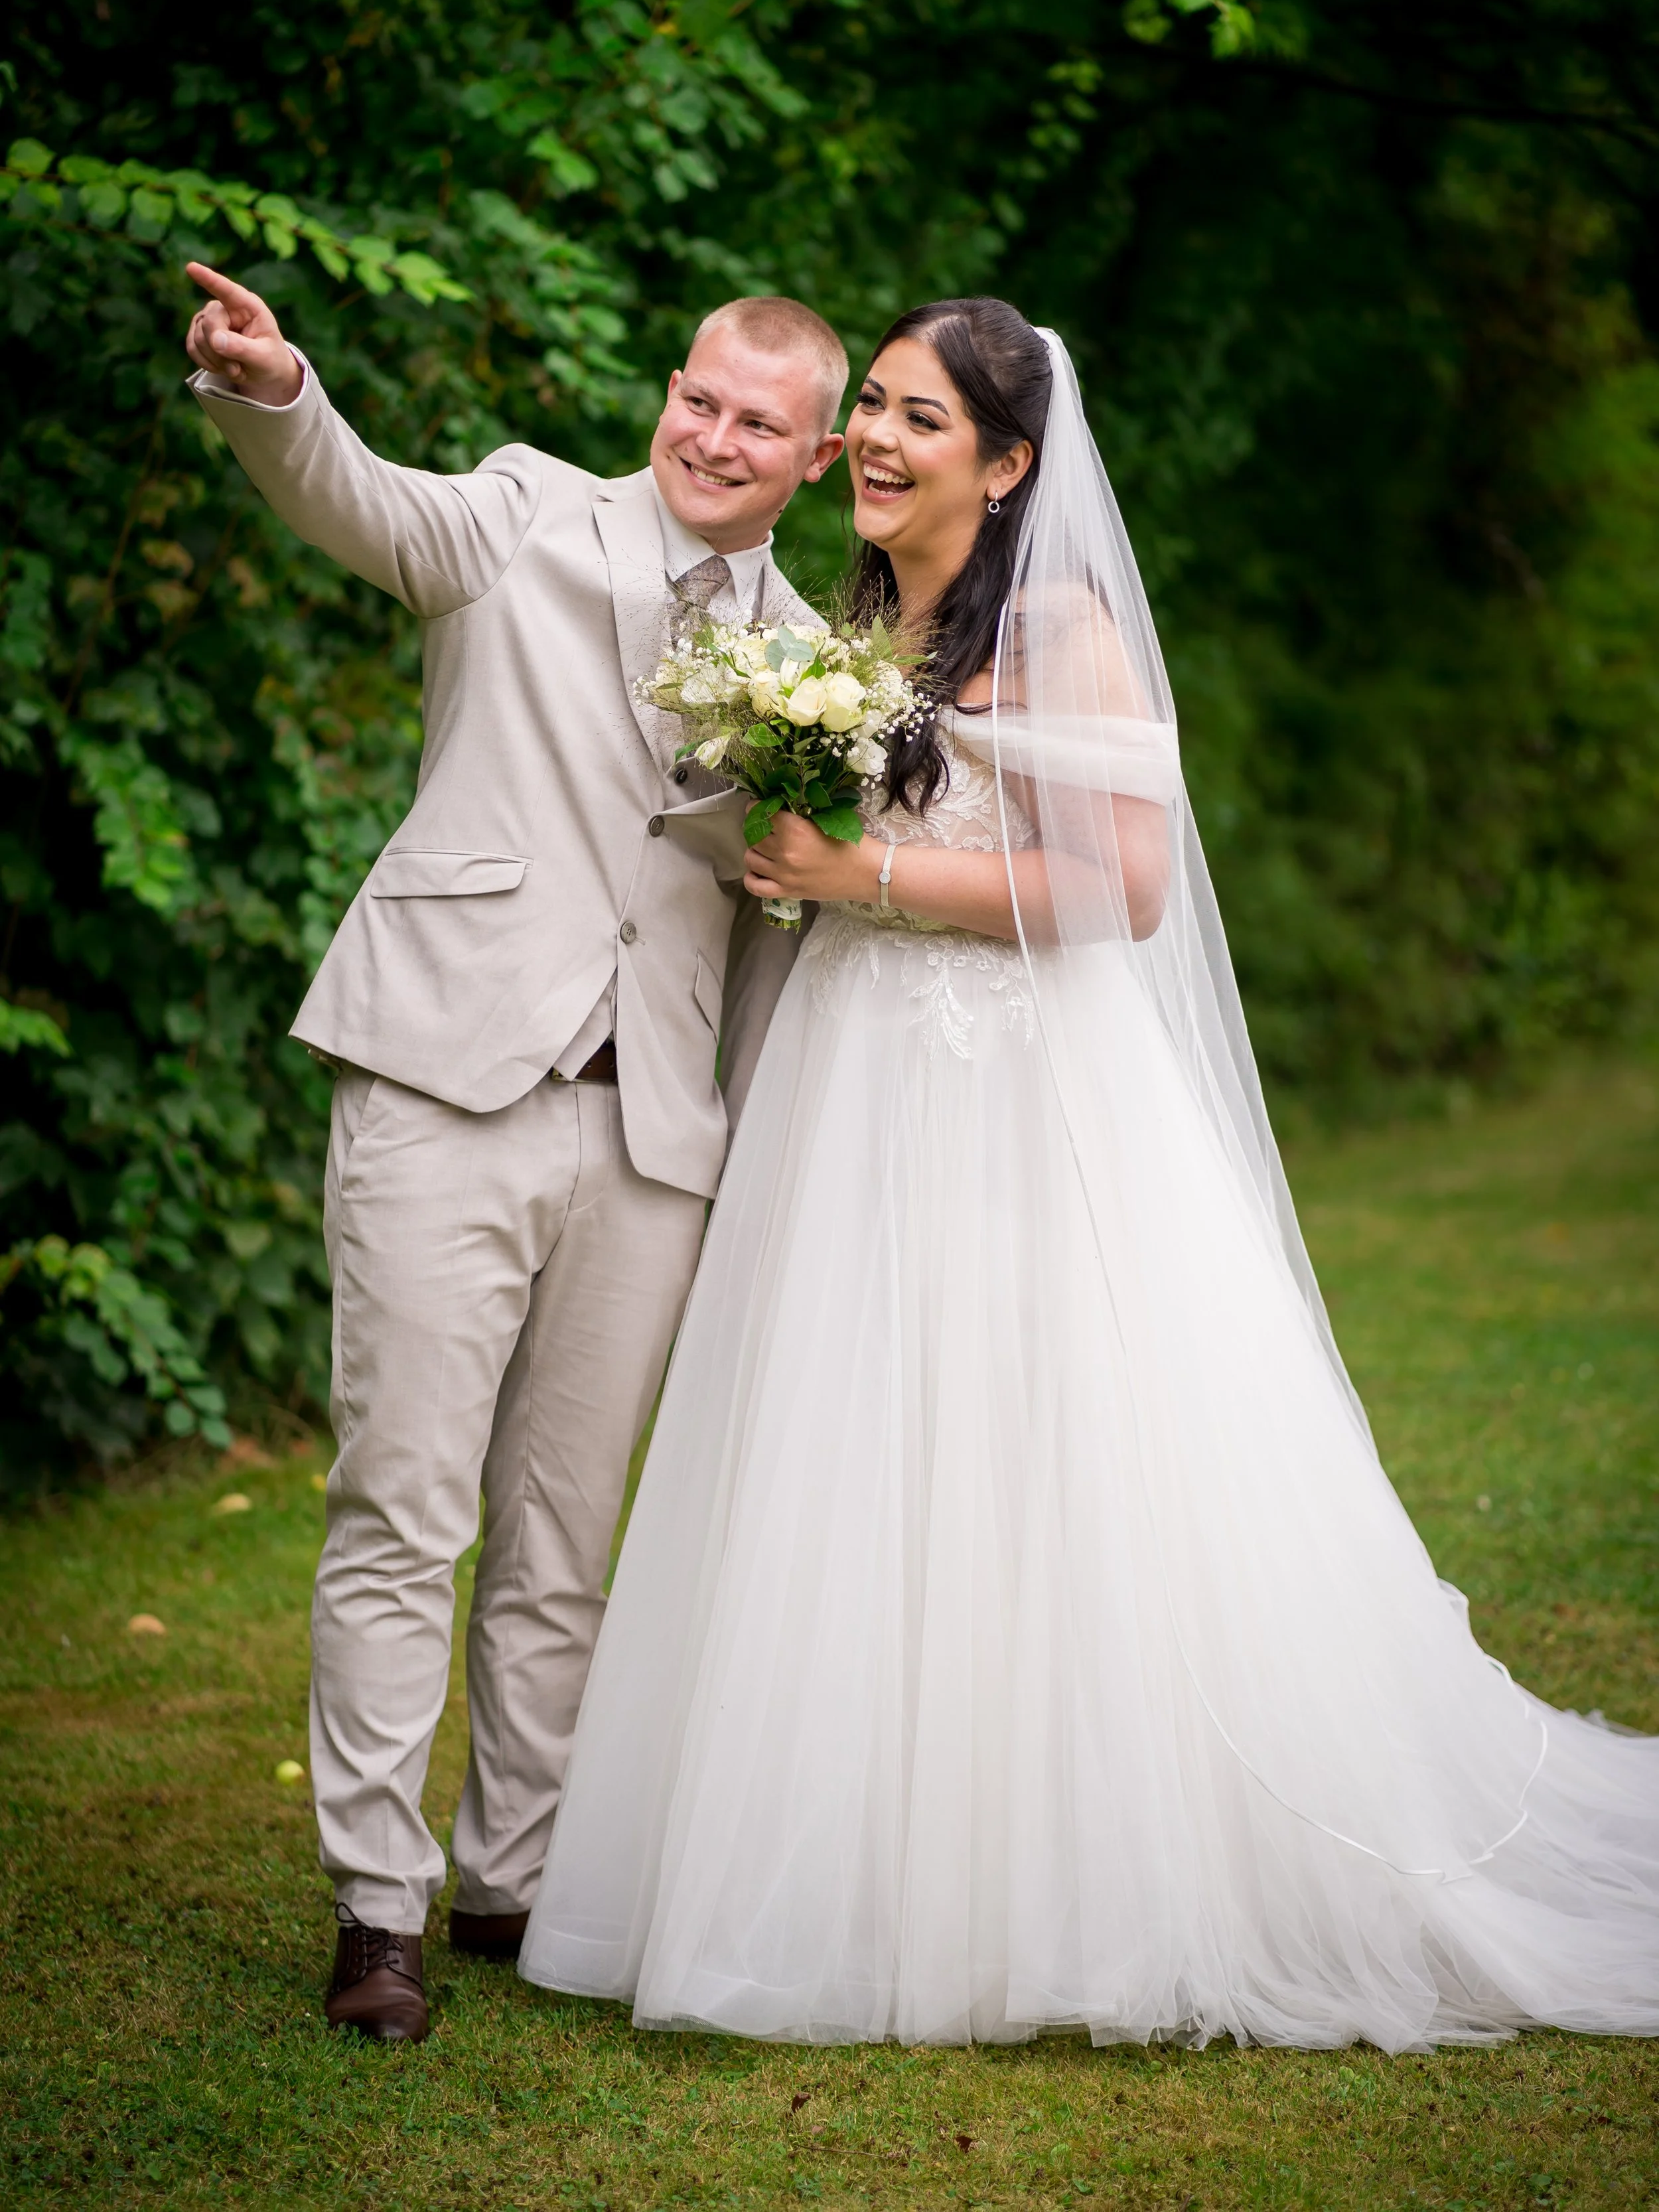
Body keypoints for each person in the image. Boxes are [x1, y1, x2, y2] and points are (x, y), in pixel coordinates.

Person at [520, 296, 1659, 2051]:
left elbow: (1120, 888)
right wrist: (799, 865)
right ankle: (857, 1860)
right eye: (873, 407)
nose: (879, 442)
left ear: (1010, 461)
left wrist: (861, 882)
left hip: (1018, 1093)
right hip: (853, 1079)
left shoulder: (1054, 624)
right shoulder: (852, 618)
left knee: (1036, 1450)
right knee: (857, 1449)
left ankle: (1072, 1872)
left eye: (920, 417)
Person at [182, 263, 846, 2043]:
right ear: (673, 390)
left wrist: (772, 1149)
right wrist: (277, 390)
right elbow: (364, 502)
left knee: (564, 1533)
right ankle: (376, 1906)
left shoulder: (815, 666)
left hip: (651, 1130)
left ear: (813, 453)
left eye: (755, 421)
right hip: (439, 1074)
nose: (712, 433)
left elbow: (781, 925)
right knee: (403, 1503)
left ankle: (514, 1877)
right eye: (697, 395)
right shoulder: (521, 511)